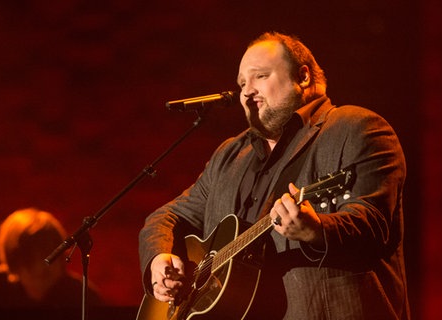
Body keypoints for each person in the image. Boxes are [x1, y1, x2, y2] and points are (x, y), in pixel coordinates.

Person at [138, 31, 410, 319]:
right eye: (242, 83)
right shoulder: (229, 155)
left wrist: (316, 230)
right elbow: (165, 217)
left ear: (303, 77)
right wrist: (159, 258)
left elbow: (373, 223)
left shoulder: (356, 128)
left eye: (260, 76)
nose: (246, 91)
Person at [0, 208, 103, 309]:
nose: (41, 267)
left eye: (50, 254)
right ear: (14, 261)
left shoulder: (83, 296)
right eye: (30, 258)